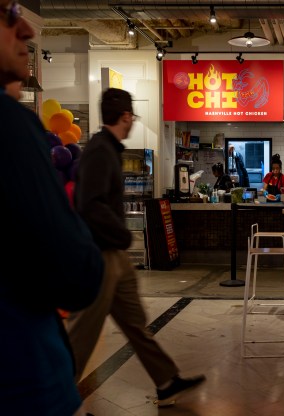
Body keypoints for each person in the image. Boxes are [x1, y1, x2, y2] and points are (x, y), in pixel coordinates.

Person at [67, 88, 205, 408]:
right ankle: (55, 395)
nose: (132, 122)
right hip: (101, 257)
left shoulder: (110, 149)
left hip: (115, 257)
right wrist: (122, 234)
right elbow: (89, 204)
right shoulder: (101, 150)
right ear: (125, 115)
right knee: (83, 333)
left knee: (136, 323)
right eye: (132, 116)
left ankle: (167, 381)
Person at [0, 3, 104, 415]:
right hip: (24, 380)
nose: (26, 28)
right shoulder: (9, 125)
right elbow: (75, 274)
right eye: (7, 14)